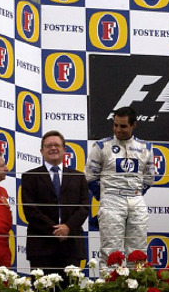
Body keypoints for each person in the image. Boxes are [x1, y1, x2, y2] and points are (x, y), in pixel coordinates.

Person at [86, 106, 154, 271]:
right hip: (111, 199)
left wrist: (134, 193)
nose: (118, 129)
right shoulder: (101, 146)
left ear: (133, 125)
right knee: (111, 251)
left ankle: (135, 289)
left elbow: (149, 178)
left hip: (136, 199)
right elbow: (90, 177)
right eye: (115, 125)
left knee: (138, 252)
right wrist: (104, 197)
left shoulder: (146, 148)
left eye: (123, 126)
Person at [21, 130, 89, 279]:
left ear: (64, 150)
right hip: (41, 246)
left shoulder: (78, 177)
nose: (53, 148)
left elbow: (84, 207)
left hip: (71, 246)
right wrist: (56, 230)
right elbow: (30, 210)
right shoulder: (30, 177)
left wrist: (67, 227)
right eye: (49, 145)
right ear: (41, 151)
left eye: (57, 145)